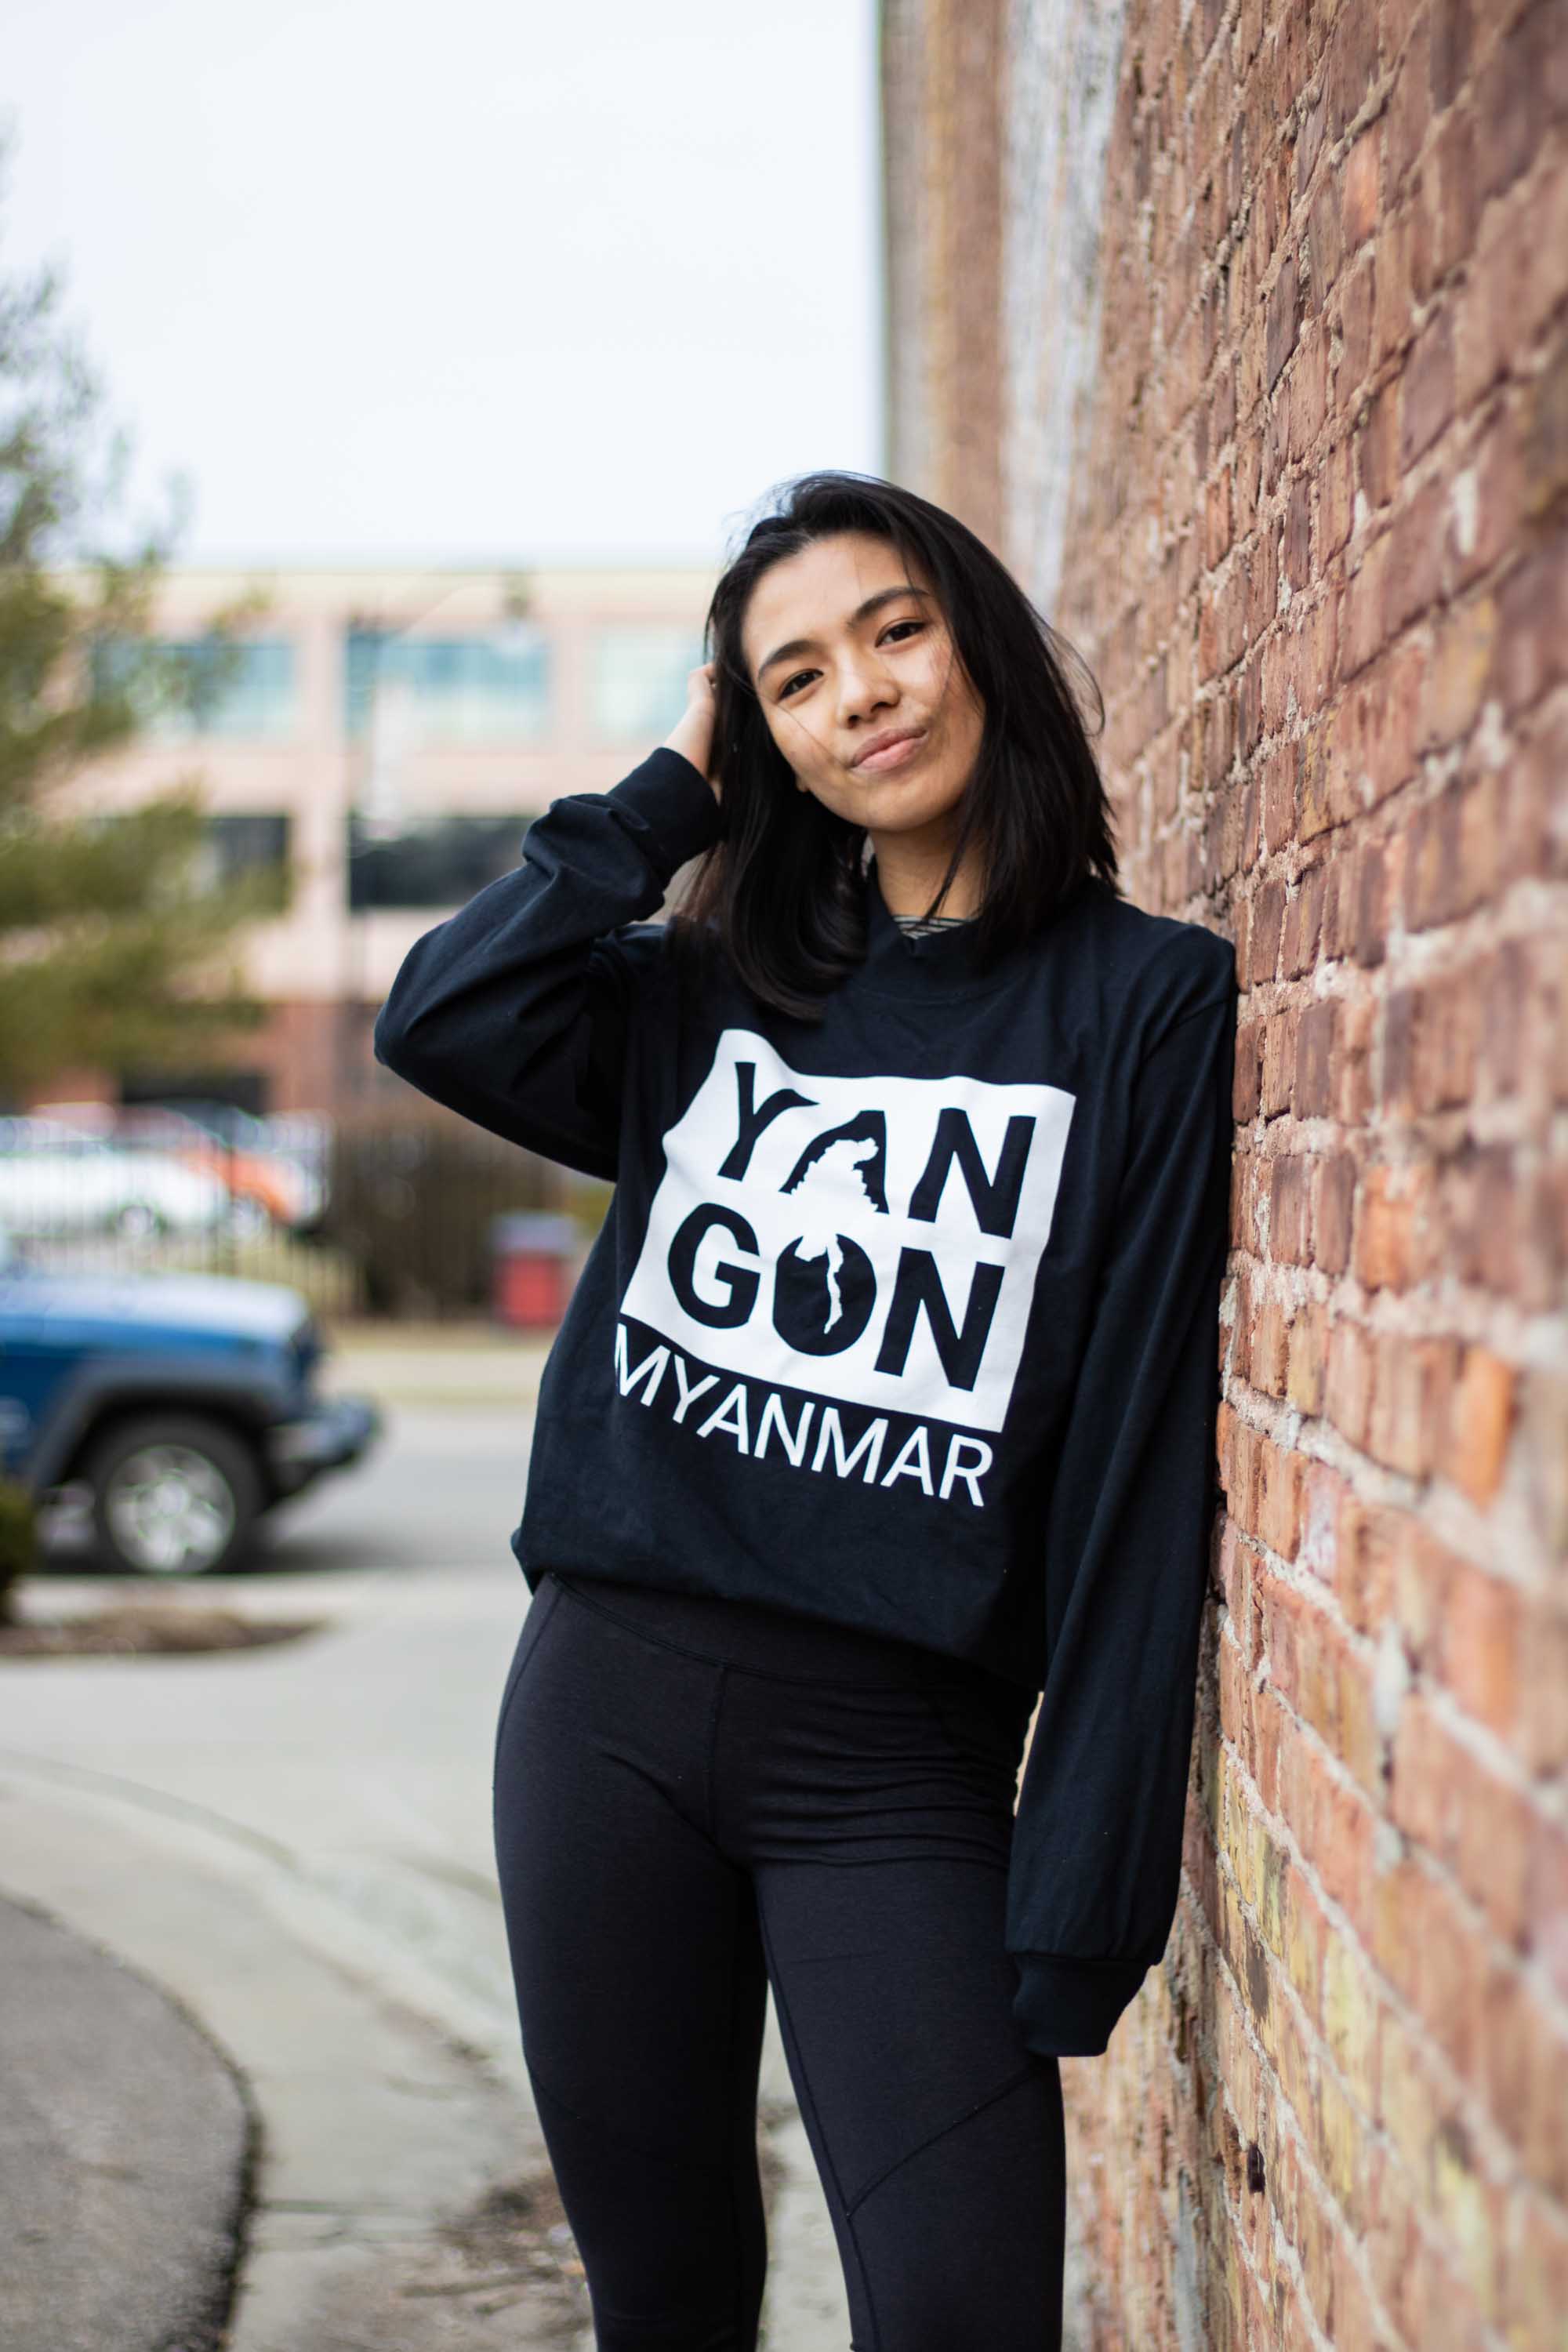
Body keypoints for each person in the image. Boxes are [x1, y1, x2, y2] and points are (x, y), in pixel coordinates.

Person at [372, 470, 1238, 2351]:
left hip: (896, 1767)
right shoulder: (713, 987)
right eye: (792, 679)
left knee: (958, 2312)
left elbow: (1134, 1473)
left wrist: (1084, 1885)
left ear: (979, 646)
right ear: (757, 734)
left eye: (896, 630)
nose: (861, 692)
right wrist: (666, 798)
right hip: (603, 1714)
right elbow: (440, 1017)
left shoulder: (1143, 1000)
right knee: (667, 2300)